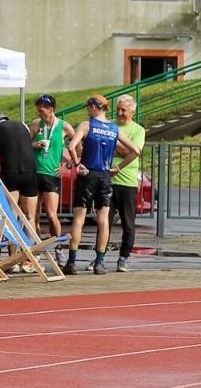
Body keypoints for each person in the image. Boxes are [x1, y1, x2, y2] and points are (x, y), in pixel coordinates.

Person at [63, 94, 140, 275]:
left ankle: (72, 262)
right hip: (105, 176)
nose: (87, 111)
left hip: (88, 173)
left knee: (79, 218)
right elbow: (136, 150)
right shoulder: (114, 129)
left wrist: (76, 165)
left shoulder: (87, 125)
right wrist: (118, 168)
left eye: (88, 108)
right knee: (103, 220)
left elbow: (71, 146)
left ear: (94, 107)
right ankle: (99, 263)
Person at [0, 112, 39, 273]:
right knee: (29, 217)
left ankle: (13, 260)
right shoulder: (22, 125)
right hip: (30, 172)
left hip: (11, 173)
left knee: (12, 216)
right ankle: (30, 259)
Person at [27, 94, 74, 241]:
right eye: (38, 110)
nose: (39, 113)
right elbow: (24, 145)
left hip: (51, 174)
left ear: (51, 109)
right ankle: (36, 247)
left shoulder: (64, 126)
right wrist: (33, 145)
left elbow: (78, 147)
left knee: (51, 214)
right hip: (34, 172)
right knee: (32, 214)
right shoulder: (35, 124)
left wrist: (68, 166)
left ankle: (58, 246)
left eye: (41, 110)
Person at [111, 95, 147, 272]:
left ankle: (123, 257)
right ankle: (99, 257)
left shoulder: (138, 130)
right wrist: (123, 148)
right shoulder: (110, 126)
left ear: (132, 111)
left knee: (127, 223)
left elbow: (132, 152)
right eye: (118, 109)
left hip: (127, 181)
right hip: (107, 181)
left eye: (123, 110)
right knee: (104, 222)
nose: (119, 113)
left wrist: (115, 145)